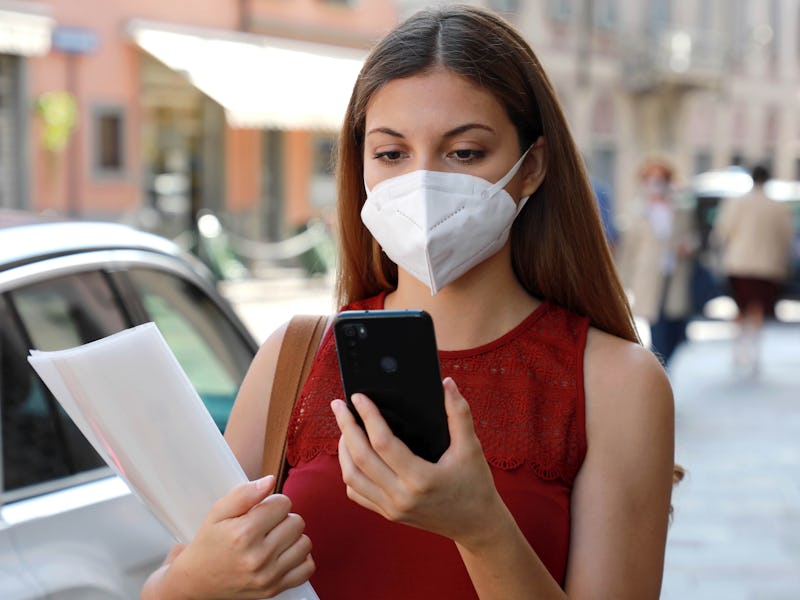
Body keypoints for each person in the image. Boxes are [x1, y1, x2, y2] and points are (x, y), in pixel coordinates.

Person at [142, 6, 677, 599]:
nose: (422, 183)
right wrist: (189, 583)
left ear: (533, 167)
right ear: (361, 166)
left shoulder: (615, 383)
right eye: (392, 154)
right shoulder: (293, 359)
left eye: (465, 153)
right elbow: (176, 582)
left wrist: (481, 528)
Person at [712, 164, 795, 375]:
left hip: (739, 263)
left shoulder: (737, 203)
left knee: (740, 307)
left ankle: (739, 349)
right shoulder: (779, 206)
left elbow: (723, 231)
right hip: (767, 265)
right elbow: (786, 237)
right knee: (758, 308)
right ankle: (753, 351)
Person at [617, 157, 699, 368]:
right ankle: (660, 369)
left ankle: (663, 363)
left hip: (675, 275)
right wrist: (622, 282)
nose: (656, 183)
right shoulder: (637, 211)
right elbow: (629, 251)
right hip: (648, 277)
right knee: (657, 325)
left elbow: (693, 237)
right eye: (651, 178)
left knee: (676, 326)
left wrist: (688, 246)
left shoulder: (680, 208)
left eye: (660, 178)